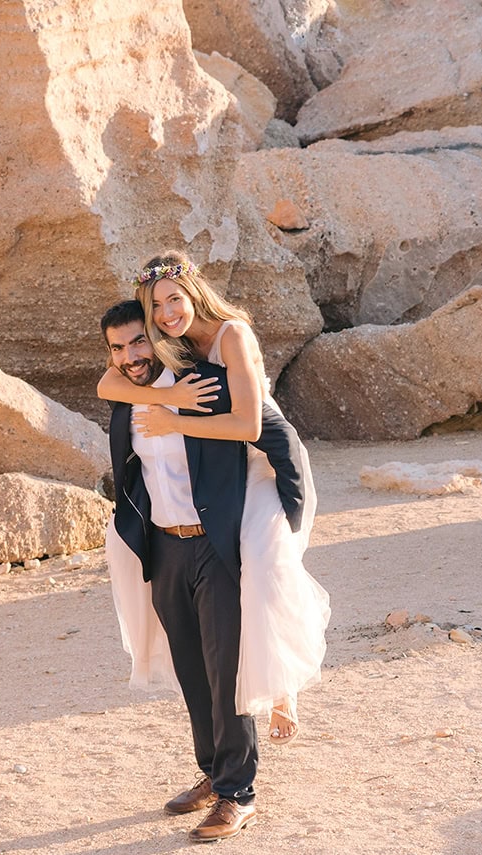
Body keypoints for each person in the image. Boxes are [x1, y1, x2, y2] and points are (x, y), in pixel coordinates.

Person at [99, 300, 311, 842]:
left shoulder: (207, 386)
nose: (130, 356)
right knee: (192, 670)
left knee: (225, 672)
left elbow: (275, 434)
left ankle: (238, 794)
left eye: (138, 341)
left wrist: (287, 518)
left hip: (215, 545)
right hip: (164, 548)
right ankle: (213, 774)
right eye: (118, 348)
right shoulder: (128, 396)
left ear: (157, 336)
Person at [101, 254, 330, 745]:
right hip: (222, 462)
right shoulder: (170, 341)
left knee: (263, 568)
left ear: (194, 292)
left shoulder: (232, 335)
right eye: (156, 305)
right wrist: (170, 398)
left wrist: (174, 419)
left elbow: (249, 425)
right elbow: (108, 382)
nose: (166, 313)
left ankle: (282, 687)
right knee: (232, 591)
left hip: (263, 462)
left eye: (174, 300)